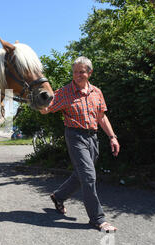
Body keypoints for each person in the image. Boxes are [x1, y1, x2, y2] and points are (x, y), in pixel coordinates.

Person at [39, 56, 120, 233]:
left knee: (81, 174)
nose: (78, 75)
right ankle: (98, 219)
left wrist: (112, 137)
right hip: (75, 136)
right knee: (89, 176)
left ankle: (58, 196)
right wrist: (37, 102)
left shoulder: (97, 92)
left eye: (82, 72)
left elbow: (101, 117)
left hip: (93, 138)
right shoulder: (65, 92)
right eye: (75, 72)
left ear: (89, 72)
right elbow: (46, 109)